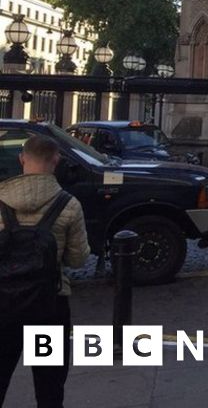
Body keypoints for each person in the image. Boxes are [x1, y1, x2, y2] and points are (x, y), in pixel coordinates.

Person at [0, 135, 89, 408]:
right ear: (55, 161)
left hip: (3, 307)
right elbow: (77, 259)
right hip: (48, 306)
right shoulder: (69, 205)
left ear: (22, 159)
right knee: (49, 387)